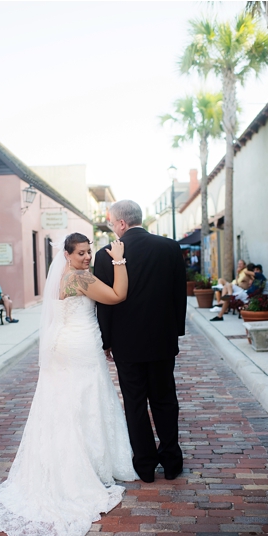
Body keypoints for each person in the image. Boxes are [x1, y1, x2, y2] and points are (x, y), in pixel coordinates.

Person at [0, 233, 136, 536]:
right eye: (80, 253)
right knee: (87, 398)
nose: (86, 257)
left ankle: (75, 457)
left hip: (65, 342)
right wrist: (119, 258)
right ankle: (86, 467)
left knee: (66, 401)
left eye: (88, 252)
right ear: (67, 254)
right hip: (80, 345)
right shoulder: (79, 278)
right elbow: (119, 295)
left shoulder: (63, 276)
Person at [95, 200, 187, 483]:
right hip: (162, 340)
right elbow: (178, 294)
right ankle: (172, 462)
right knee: (165, 400)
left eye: (112, 223)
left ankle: (145, 466)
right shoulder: (170, 247)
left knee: (134, 404)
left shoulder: (106, 254)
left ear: (121, 223)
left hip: (126, 343)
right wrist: (176, 331)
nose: (113, 228)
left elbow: (105, 305)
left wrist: (106, 341)